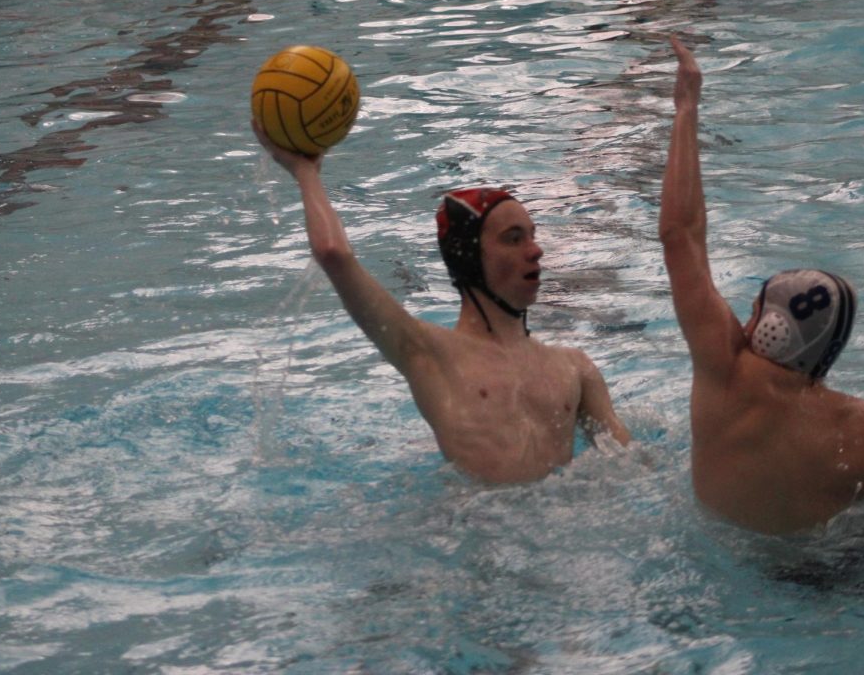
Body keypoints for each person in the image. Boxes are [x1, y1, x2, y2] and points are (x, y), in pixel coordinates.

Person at [254, 120, 630, 484]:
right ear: (470, 257)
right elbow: (333, 254)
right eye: (513, 239)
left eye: (532, 236)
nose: (536, 250)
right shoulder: (429, 354)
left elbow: (632, 466)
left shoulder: (575, 369)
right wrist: (306, 173)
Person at [659, 36, 864, 535]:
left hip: (738, 566)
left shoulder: (727, 374)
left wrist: (686, 108)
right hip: (848, 569)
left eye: (755, 311)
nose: (746, 320)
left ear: (774, 328)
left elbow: (678, 236)